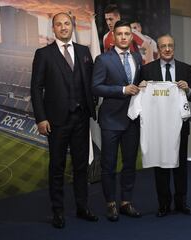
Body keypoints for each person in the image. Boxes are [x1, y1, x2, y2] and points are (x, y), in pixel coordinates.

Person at [30, 12, 98, 229]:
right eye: (58, 24)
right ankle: (57, 211)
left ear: (72, 26)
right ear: (53, 29)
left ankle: (82, 207)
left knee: (80, 167)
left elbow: (90, 81)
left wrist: (91, 103)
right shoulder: (43, 54)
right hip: (57, 121)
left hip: (81, 118)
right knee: (57, 167)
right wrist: (41, 118)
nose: (63, 27)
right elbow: (36, 88)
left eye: (67, 23)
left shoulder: (83, 51)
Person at [139, 34, 191, 217]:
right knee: (160, 166)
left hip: (180, 127)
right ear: (158, 49)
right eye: (163, 46)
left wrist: (187, 89)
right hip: (157, 128)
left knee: (181, 167)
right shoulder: (147, 70)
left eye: (170, 45)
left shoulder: (185, 69)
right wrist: (141, 86)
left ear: (174, 47)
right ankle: (163, 204)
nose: (167, 49)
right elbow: (139, 93)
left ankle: (181, 202)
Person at [92, 20, 143, 222]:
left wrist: (143, 84)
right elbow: (96, 87)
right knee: (109, 165)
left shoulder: (138, 58)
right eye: (119, 34)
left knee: (130, 164)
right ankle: (111, 203)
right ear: (113, 36)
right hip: (111, 120)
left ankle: (126, 202)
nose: (123, 37)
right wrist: (122, 90)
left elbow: (138, 85)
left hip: (132, 119)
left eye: (127, 34)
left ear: (131, 37)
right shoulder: (103, 59)